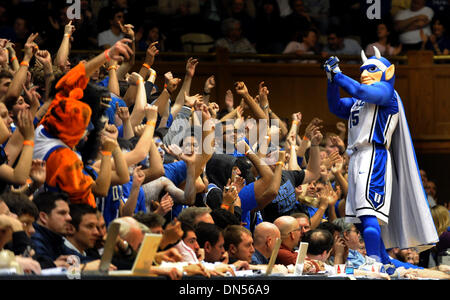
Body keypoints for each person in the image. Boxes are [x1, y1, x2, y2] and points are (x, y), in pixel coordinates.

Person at [323, 45, 439, 273]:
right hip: (356, 157)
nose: (364, 73)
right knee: (360, 218)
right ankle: (386, 261)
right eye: (362, 69)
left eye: (371, 69)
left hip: (374, 155)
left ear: (388, 71)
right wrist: (331, 81)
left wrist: (338, 75)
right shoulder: (359, 99)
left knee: (368, 213)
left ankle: (373, 261)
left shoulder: (387, 92)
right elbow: (335, 106)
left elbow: (361, 91)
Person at [31, 191, 73, 269]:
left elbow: (78, 259)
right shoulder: (34, 237)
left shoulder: (55, 237)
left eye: (68, 213)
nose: (69, 218)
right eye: (62, 213)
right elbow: (43, 268)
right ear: (43, 217)